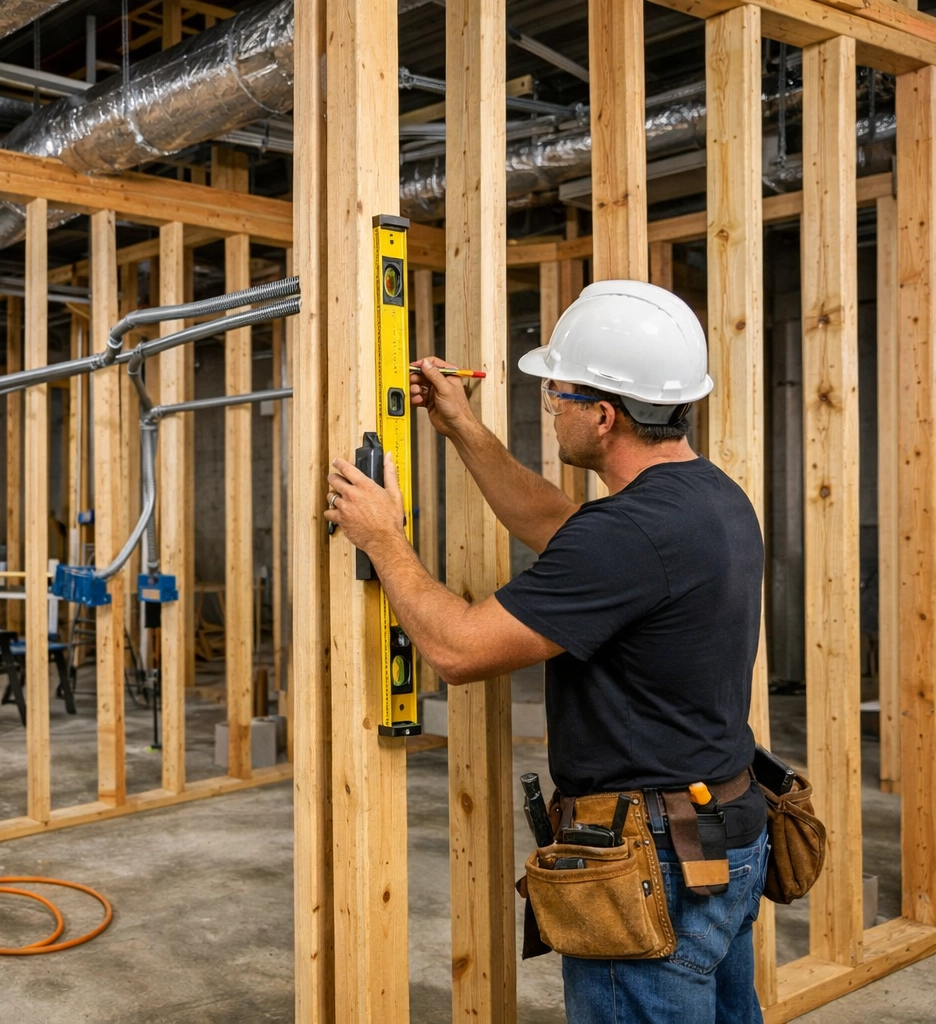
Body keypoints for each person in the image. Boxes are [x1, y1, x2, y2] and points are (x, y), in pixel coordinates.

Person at [323, 280, 769, 1024]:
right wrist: (463, 427)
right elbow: (560, 526)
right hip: (723, 835)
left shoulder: (626, 536)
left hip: (651, 866)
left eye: (556, 393)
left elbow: (458, 649)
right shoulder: (709, 498)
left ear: (604, 415)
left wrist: (384, 538)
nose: (550, 407)